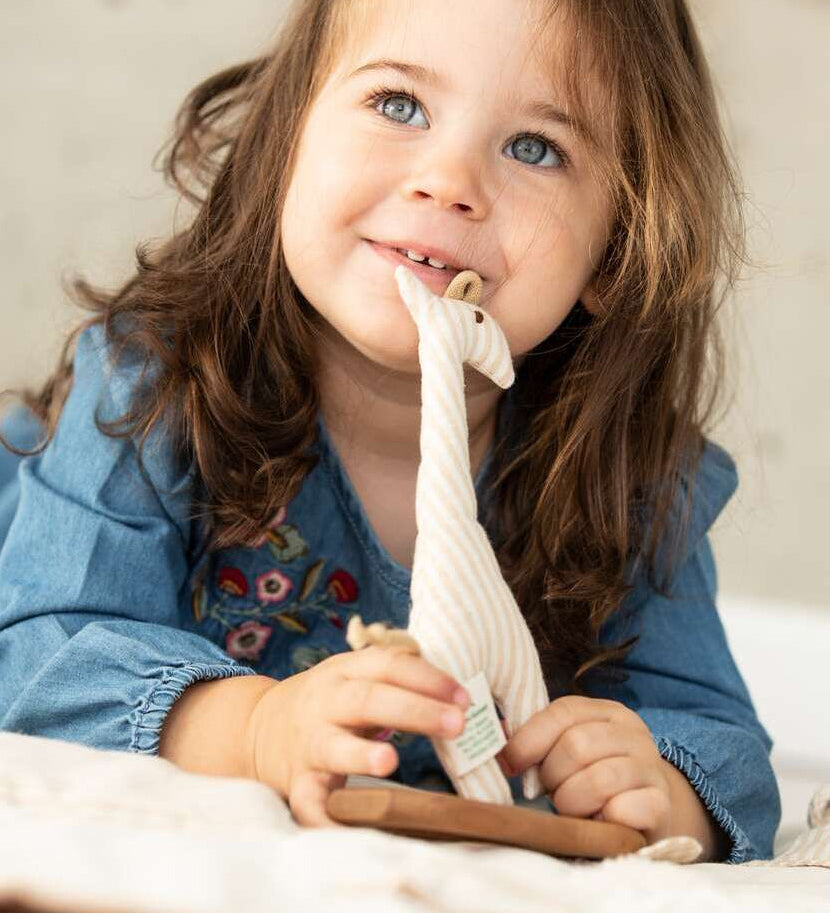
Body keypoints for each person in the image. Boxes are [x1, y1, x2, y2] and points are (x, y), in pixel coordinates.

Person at [0, 0, 780, 863]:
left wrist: (661, 786)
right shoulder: (157, 380)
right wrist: (256, 727)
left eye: (534, 148)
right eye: (399, 104)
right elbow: (41, 657)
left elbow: (724, 745)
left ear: (616, 251)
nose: (450, 181)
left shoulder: (631, 480)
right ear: (289, 133)